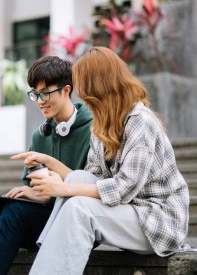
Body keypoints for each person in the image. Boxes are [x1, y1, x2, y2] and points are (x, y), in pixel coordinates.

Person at [19, 46, 192, 275]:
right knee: (78, 177)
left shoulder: (140, 121)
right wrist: (52, 167)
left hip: (158, 221)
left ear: (98, 88)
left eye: (83, 88)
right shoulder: (101, 125)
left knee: (80, 207)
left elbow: (125, 188)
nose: (80, 95)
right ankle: (53, 252)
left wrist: (61, 188)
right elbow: (90, 176)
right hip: (130, 213)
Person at [0, 55, 92, 275]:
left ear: (66, 90)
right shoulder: (39, 136)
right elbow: (31, 187)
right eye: (35, 94)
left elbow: (92, 189)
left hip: (73, 223)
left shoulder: (93, 132)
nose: (40, 100)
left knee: (15, 212)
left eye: (46, 93)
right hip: (37, 220)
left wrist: (48, 195)